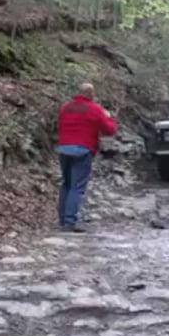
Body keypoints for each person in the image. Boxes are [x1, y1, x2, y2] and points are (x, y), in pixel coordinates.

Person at [56, 82, 117, 233]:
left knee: (67, 184)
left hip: (64, 149)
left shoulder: (65, 107)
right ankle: (70, 222)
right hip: (82, 150)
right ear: (91, 94)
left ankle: (63, 219)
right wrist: (109, 117)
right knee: (77, 187)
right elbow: (109, 130)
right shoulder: (95, 109)